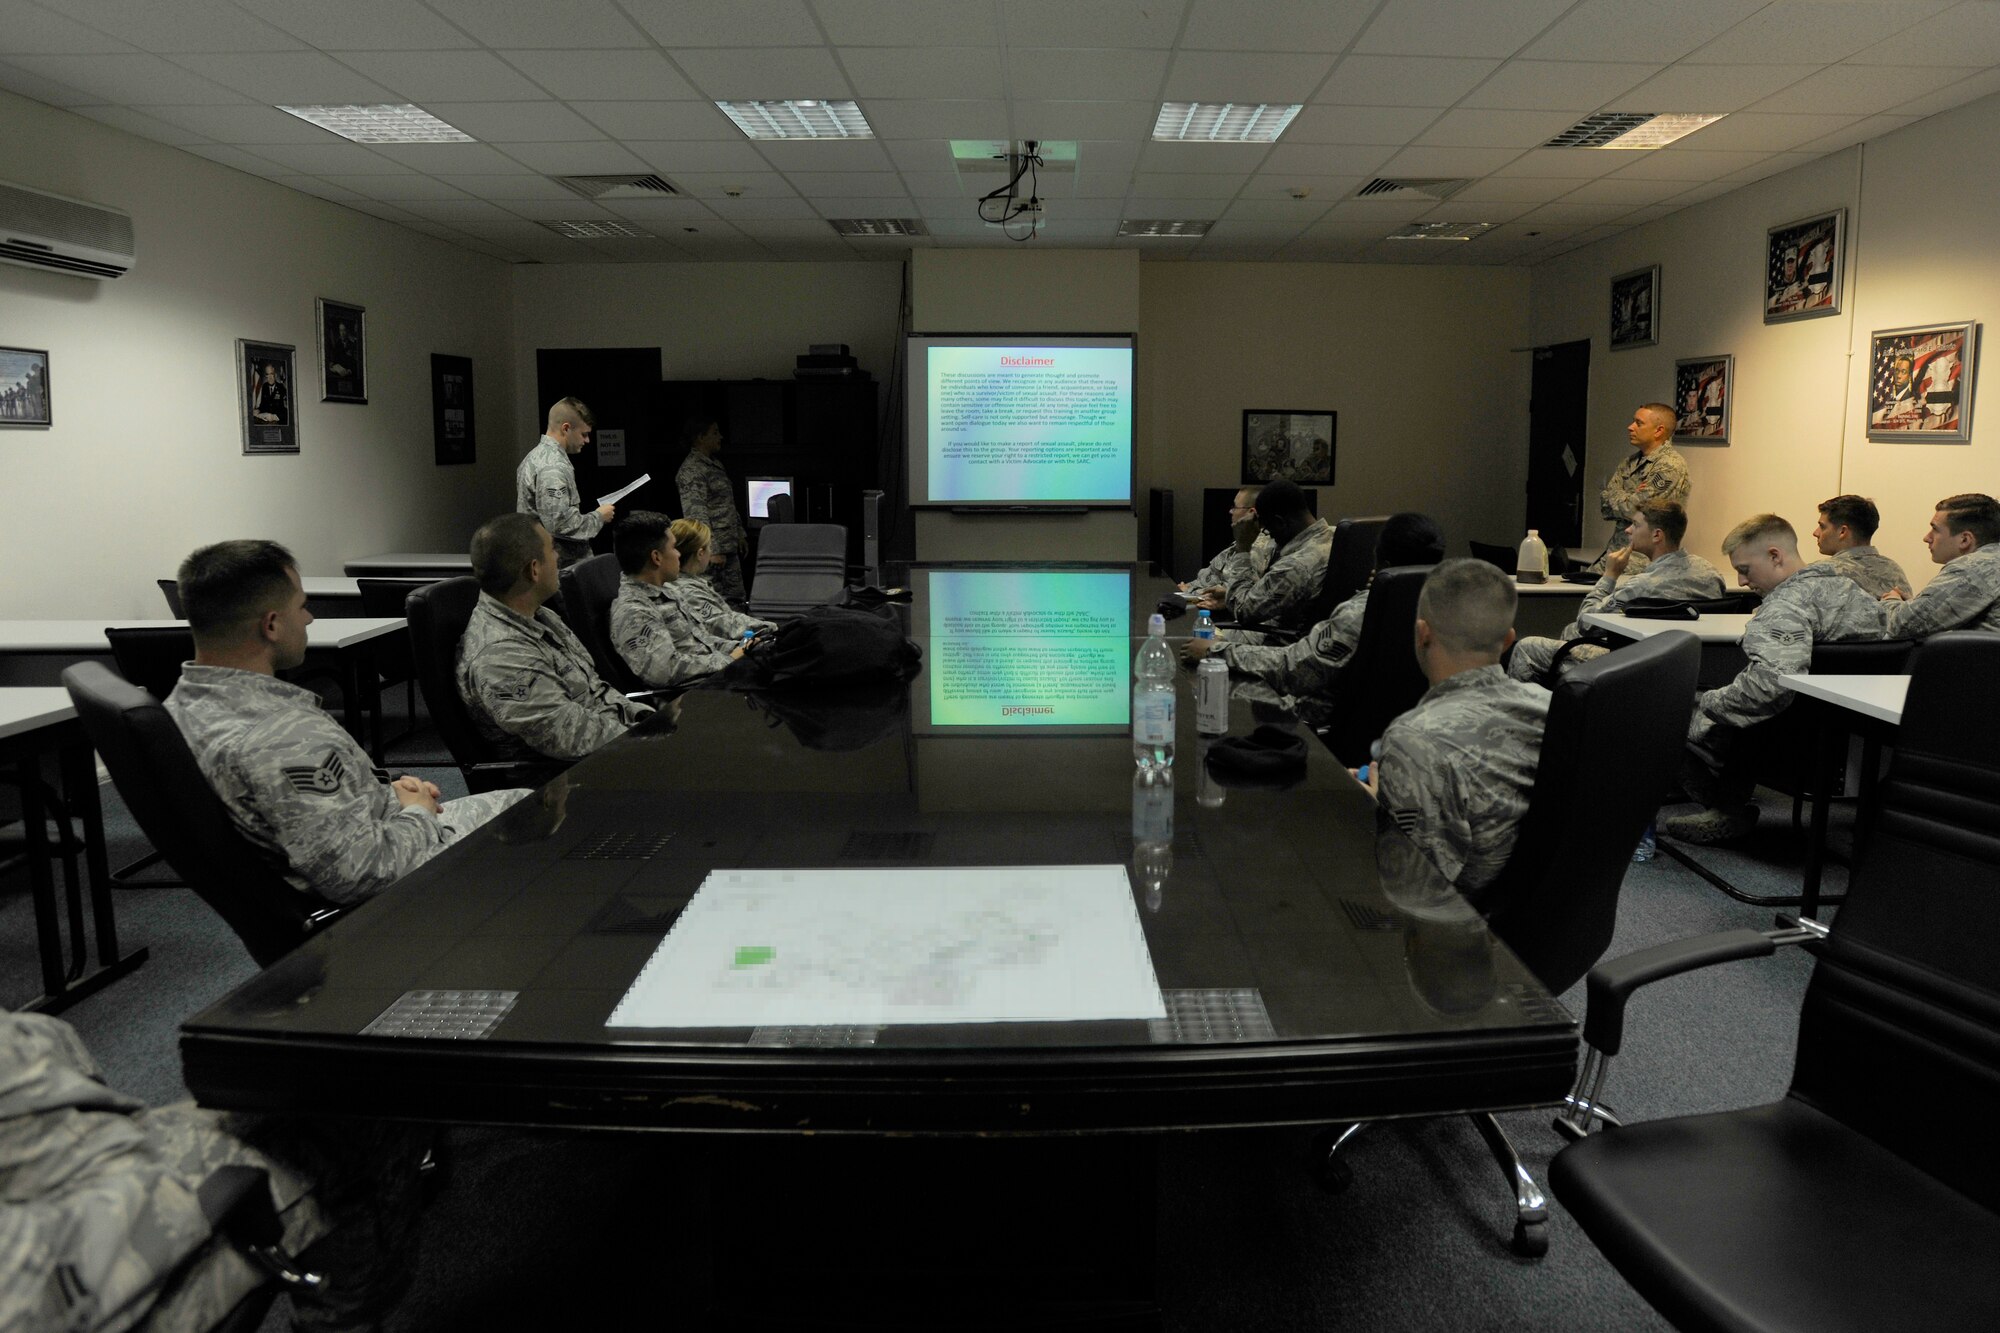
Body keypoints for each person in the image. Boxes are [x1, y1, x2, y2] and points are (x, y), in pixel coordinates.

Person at [0, 1007, 425, 1333]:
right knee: (357, 1125)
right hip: (70, 1281)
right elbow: (48, 1290)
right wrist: (195, 1203)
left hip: (62, 1191)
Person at [164, 540, 525, 905]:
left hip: (370, 829)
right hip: (397, 888)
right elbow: (362, 874)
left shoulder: (183, 704)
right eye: (302, 607)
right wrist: (418, 812)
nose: (309, 619)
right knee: (539, 814)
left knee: (524, 801)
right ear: (271, 625)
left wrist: (392, 794)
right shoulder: (282, 739)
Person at [1666, 514, 1887, 844]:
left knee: (1660, 707)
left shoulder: (1784, 605)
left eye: (1745, 569)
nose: (1741, 582)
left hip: (1780, 742)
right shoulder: (1857, 595)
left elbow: (1770, 687)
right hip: (1841, 741)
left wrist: (1707, 702)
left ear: (1774, 556)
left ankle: (1725, 810)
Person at [1361, 559, 1549, 899]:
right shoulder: (1549, 704)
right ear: (1508, 640)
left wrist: (1379, 806)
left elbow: (1412, 886)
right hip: (1535, 909)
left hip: (1456, 926)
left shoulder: (1415, 739)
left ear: (1422, 632)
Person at [1183, 512, 1445, 702]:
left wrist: (1216, 651)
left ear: (1379, 557)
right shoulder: (1445, 610)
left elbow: (1292, 669)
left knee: (1202, 688)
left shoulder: (1360, 614)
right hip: (1388, 723)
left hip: (1313, 713)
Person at [457, 514, 652, 762]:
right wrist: (650, 741)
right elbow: (571, 737)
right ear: (534, 570)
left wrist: (647, 718)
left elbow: (595, 691)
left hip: (614, 746)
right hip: (567, 782)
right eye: (552, 548)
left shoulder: (539, 616)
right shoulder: (500, 656)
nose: (558, 556)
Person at [1507, 501, 1726, 683]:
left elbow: (1587, 622)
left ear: (1657, 535)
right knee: (1569, 632)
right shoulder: (1710, 574)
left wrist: (1610, 576)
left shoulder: (1642, 585)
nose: (1628, 530)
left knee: (1526, 648)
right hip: (1683, 666)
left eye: (1635, 525)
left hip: (1629, 663)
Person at [607, 511, 745, 688]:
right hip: (696, 696)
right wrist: (729, 659)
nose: (679, 554)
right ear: (656, 557)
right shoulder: (634, 611)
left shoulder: (667, 591)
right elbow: (665, 671)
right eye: (673, 548)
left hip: (717, 677)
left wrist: (744, 648)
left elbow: (703, 640)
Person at [1200, 479, 1333, 630]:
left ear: (1280, 522)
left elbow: (1243, 610)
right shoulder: (1334, 537)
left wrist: (1243, 548)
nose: (1268, 534)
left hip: (1274, 641)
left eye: (1268, 528)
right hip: (1291, 628)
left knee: (1196, 637)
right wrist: (1228, 595)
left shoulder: (1296, 565)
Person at [1878, 492, 2000, 636]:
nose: (1927, 538)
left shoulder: (1972, 568)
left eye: (1935, 529)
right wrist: (1913, 605)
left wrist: (1891, 600)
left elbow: (1903, 625)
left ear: (1965, 540)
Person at [516, 396, 615, 567]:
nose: (587, 440)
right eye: (584, 434)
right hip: (560, 568)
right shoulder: (553, 467)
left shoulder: (534, 457)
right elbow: (560, 524)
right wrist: (599, 517)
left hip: (544, 561)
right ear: (566, 428)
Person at [659, 518, 776, 653]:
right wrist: (773, 627)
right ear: (700, 553)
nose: (711, 551)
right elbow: (722, 625)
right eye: (709, 546)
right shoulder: (687, 591)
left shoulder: (686, 582)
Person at [1596, 403, 1691, 567]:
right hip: (1616, 554)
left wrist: (1622, 498)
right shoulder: (1630, 462)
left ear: (1658, 431)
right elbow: (1605, 505)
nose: (1630, 427)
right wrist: (1629, 498)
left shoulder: (1670, 466)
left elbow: (1635, 510)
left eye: (1638, 423)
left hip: (1644, 563)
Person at [675, 414, 748, 602]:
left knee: (736, 600)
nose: (720, 437)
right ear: (700, 437)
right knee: (714, 601)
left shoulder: (714, 464)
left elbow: (726, 502)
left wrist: (739, 532)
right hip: (712, 552)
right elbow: (696, 515)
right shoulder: (692, 470)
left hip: (727, 546)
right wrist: (711, 549)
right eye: (715, 432)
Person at [1812, 494, 1912, 599]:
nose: (1816, 533)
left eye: (1822, 527)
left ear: (1842, 531)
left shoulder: (1821, 572)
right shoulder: (1894, 571)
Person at [1179, 486, 1274, 594]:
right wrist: (1186, 588)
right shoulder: (1241, 542)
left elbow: (1234, 592)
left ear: (1251, 513)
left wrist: (1189, 592)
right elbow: (1207, 579)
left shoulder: (1258, 548)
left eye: (1235, 507)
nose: (1230, 511)